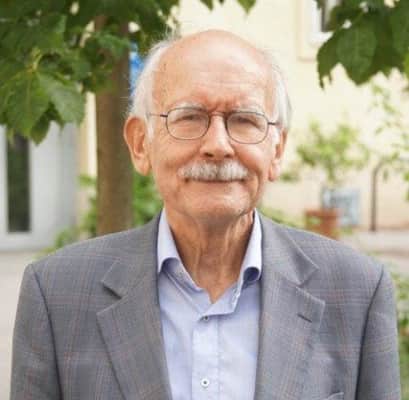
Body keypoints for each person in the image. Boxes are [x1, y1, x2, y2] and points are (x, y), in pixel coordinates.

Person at [11, 30, 400, 400]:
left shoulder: (356, 292)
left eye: (244, 120)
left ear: (277, 150)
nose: (218, 145)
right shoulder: (58, 295)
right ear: (140, 144)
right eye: (190, 117)